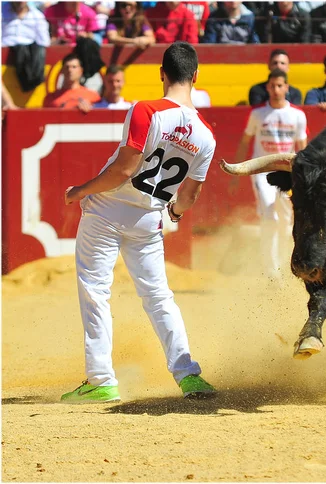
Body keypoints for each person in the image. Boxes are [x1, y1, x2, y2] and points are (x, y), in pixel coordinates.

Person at [61, 41, 217, 403]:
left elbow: (123, 170)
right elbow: (189, 196)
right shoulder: (206, 136)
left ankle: (101, 379)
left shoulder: (146, 110)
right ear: (195, 77)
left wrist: (80, 190)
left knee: (95, 290)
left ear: (162, 74)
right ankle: (188, 375)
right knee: (159, 296)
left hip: (106, 211)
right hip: (149, 218)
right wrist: (175, 213)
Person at [234, 69, 307, 280]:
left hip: (287, 172)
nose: (276, 90)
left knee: (287, 221)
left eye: (279, 86)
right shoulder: (257, 114)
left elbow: (302, 148)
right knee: (269, 216)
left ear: (286, 88)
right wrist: (237, 172)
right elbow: (245, 141)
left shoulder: (297, 115)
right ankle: (270, 270)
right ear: (267, 88)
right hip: (262, 170)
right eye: (272, 86)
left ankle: (285, 264)